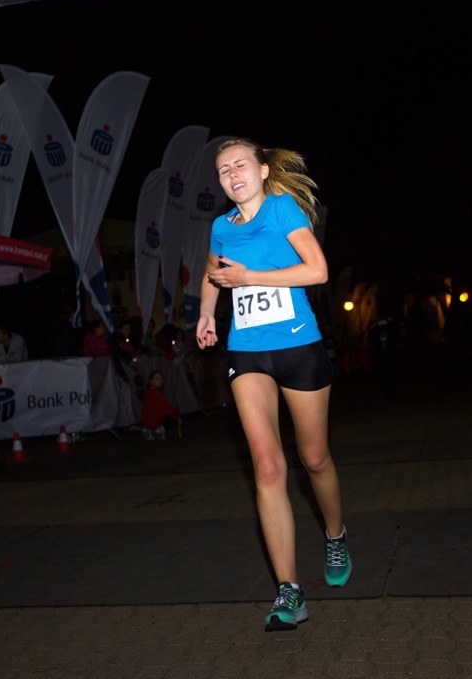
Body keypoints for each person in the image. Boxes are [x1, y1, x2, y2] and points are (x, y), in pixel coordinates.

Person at [195, 137, 350, 632]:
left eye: (240, 165)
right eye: (224, 170)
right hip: (247, 351)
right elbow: (212, 273)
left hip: (299, 347)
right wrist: (206, 314)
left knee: (314, 458)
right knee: (266, 466)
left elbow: (318, 271)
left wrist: (249, 278)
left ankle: (335, 534)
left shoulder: (282, 209)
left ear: (262, 170)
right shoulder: (222, 227)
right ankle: (289, 591)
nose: (232, 175)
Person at [139, 370, 181, 441]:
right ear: (151, 381)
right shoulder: (157, 393)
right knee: (172, 414)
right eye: (157, 379)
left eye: (161, 379)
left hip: (145, 422)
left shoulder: (147, 393)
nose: (160, 381)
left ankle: (148, 430)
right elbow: (166, 408)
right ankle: (159, 430)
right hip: (155, 421)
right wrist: (177, 417)